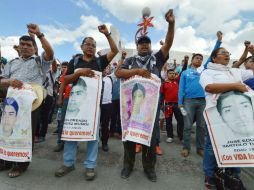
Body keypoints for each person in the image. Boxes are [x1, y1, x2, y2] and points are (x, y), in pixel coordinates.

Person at [115, 8, 175, 182]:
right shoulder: (130, 60)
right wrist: (138, 71)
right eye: (141, 43)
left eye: (146, 43)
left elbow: (168, 43)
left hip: (152, 108)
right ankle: (128, 166)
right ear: (137, 46)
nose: (144, 45)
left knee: (150, 137)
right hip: (131, 106)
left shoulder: (157, 58)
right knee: (129, 136)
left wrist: (171, 24)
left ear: (150, 45)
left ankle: (149, 168)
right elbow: (119, 73)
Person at [55, 24, 118, 181]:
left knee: (92, 136)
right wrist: (79, 73)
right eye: (88, 44)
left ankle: (90, 166)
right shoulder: (74, 62)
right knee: (71, 134)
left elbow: (115, 51)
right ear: (82, 46)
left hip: (93, 106)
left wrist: (107, 34)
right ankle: (68, 163)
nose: (90, 47)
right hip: (75, 105)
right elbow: (66, 79)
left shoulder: (99, 62)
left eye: (93, 45)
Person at [0, 23, 54, 178]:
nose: (24, 47)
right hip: (11, 103)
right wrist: (9, 82)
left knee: (25, 134)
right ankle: (5, 161)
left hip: (31, 104)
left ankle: (21, 165)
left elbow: (50, 53)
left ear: (34, 48)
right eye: (22, 44)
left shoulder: (39, 62)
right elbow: (1, 81)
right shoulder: (12, 63)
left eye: (28, 45)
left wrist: (39, 35)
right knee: (7, 131)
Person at [200, 47, 253, 189]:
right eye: (223, 53)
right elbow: (209, 88)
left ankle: (234, 174)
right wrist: (235, 85)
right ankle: (209, 174)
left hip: (237, 115)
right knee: (212, 145)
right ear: (213, 58)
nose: (227, 55)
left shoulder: (235, 71)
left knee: (237, 142)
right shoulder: (207, 72)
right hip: (216, 115)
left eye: (228, 53)